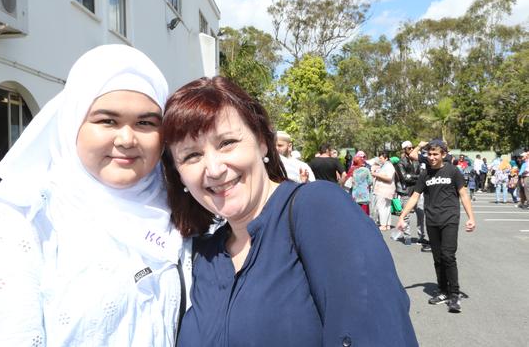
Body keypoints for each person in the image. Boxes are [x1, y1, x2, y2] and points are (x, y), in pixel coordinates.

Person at [0, 45, 190, 346]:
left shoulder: (178, 208)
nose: (127, 139)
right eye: (107, 121)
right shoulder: (18, 219)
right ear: (72, 122)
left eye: (146, 123)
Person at [162, 76, 417, 346]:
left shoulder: (318, 209)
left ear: (262, 142)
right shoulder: (203, 256)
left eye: (226, 143)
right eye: (191, 156)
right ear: (179, 175)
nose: (214, 169)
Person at [396, 140, 476, 313]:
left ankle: (454, 295)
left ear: (443, 155)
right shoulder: (425, 175)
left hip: (450, 219)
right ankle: (443, 291)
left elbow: (463, 194)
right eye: (429, 154)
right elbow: (415, 197)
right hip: (432, 220)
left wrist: (471, 217)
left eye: (435, 154)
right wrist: (402, 216)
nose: (432, 158)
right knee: (438, 258)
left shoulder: (453, 171)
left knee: (448, 256)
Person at [397, 140, 429, 250]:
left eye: (412, 147)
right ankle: (407, 237)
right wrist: (418, 178)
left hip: (417, 191)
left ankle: (421, 237)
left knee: (421, 214)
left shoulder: (416, 161)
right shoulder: (401, 162)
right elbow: (405, 177)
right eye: (409, 148)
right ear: (404, 150)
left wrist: (414, 177)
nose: (411, 149)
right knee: (406, 216)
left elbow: (420, 174)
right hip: (406, 192)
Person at [371, 151, 395, 231]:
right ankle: (387, 224)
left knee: (381, 207)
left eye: (381, 158)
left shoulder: (388, 166)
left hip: (383, 190)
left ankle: (383, 225)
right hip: (386, 190)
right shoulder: (385, 166)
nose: (380, 160)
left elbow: (388, 178)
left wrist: (375, 174)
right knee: (386, 207)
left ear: (386, 158)